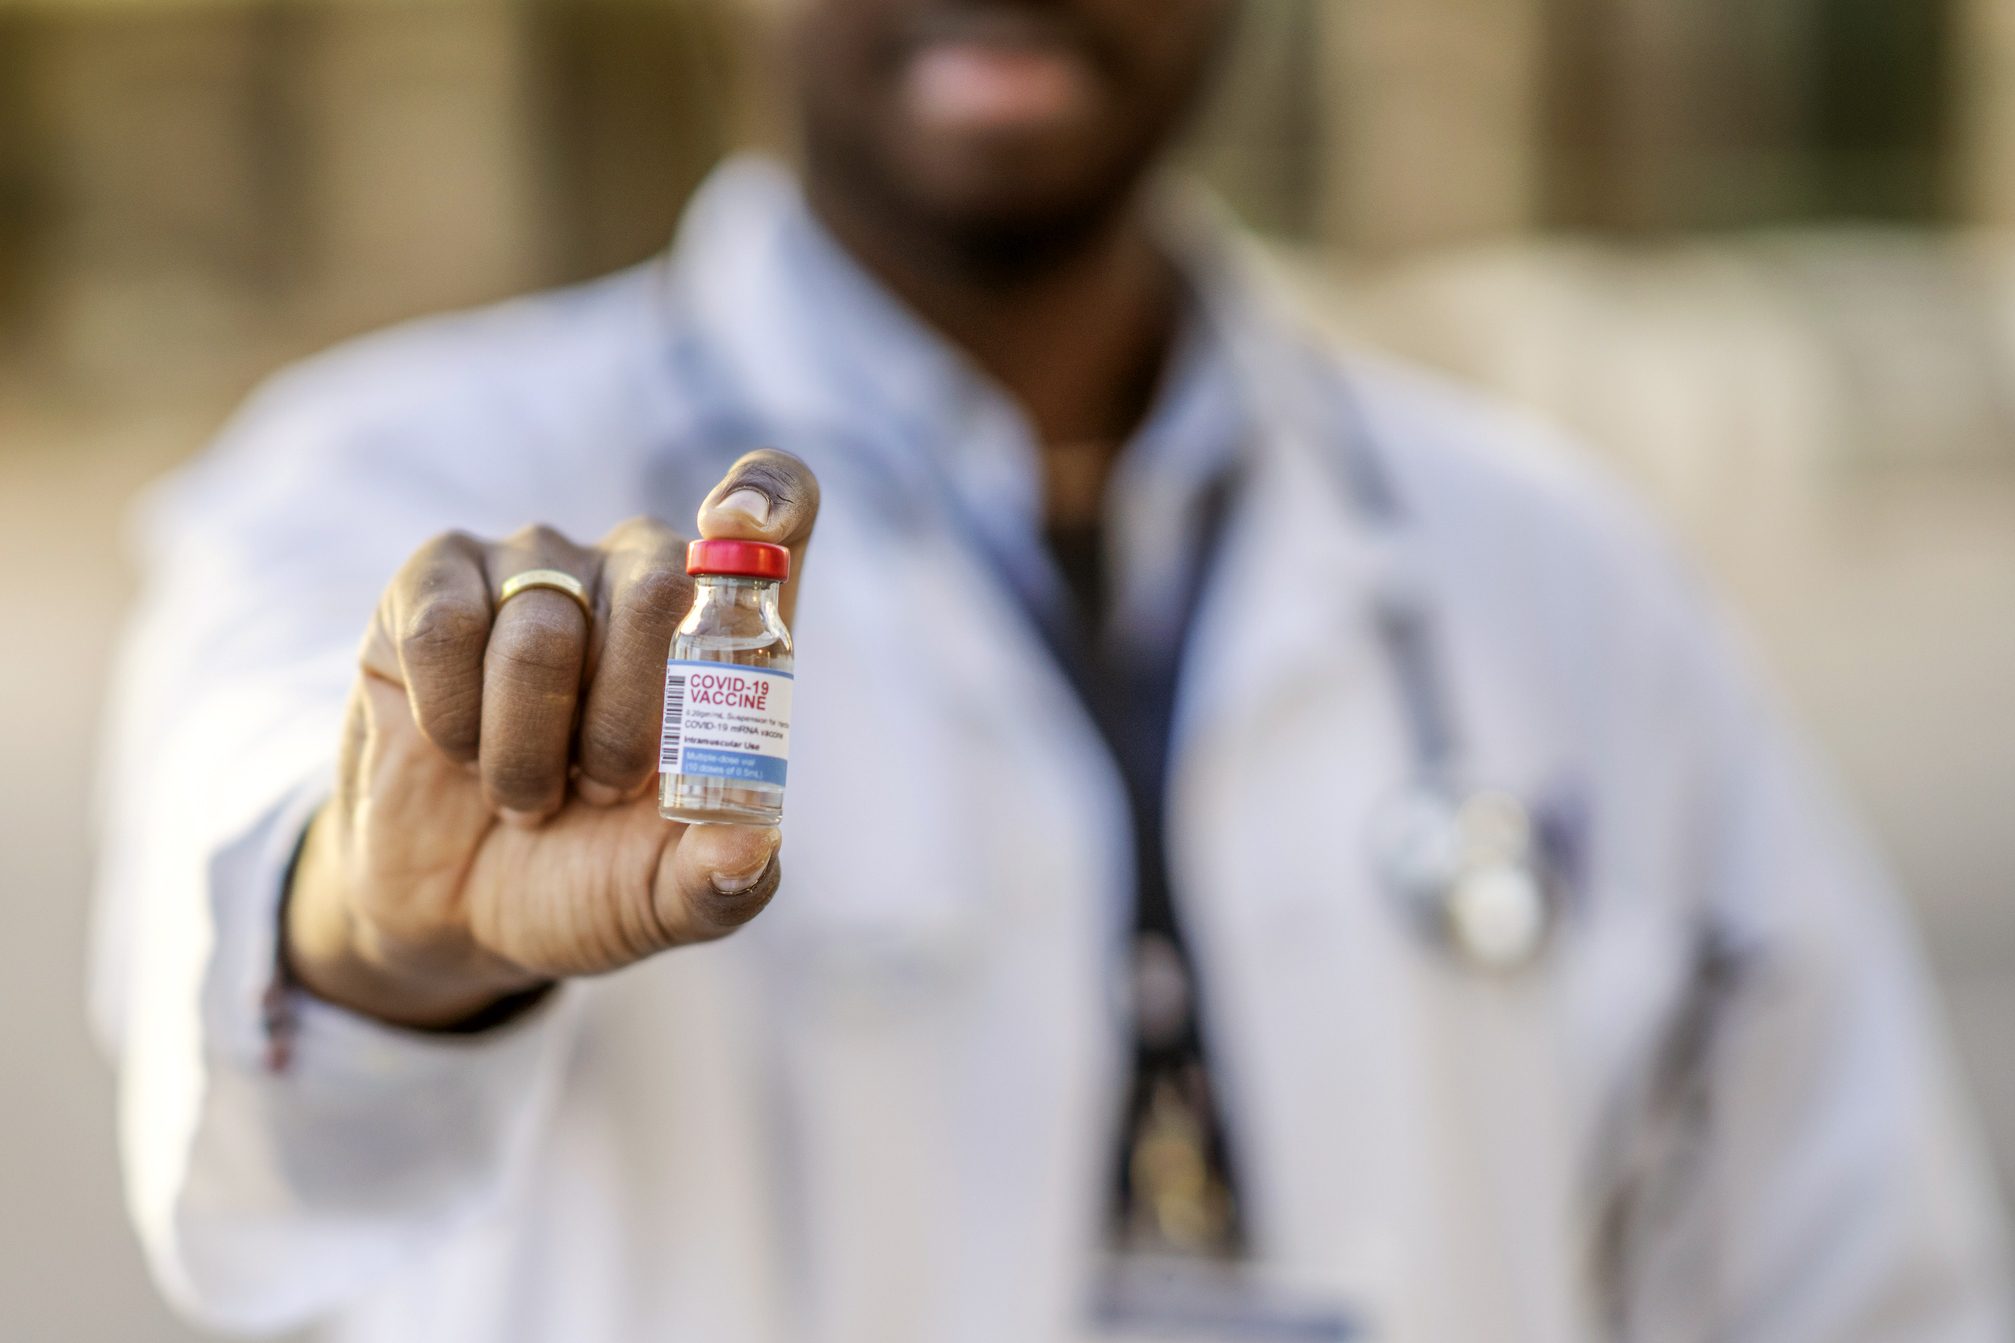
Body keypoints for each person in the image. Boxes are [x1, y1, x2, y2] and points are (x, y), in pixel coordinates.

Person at [93, 0, 2010, 1339]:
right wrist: (395, 937)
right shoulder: (377, 485)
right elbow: (261, 1042)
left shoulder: (1563, 576)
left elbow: (1854, 1276)